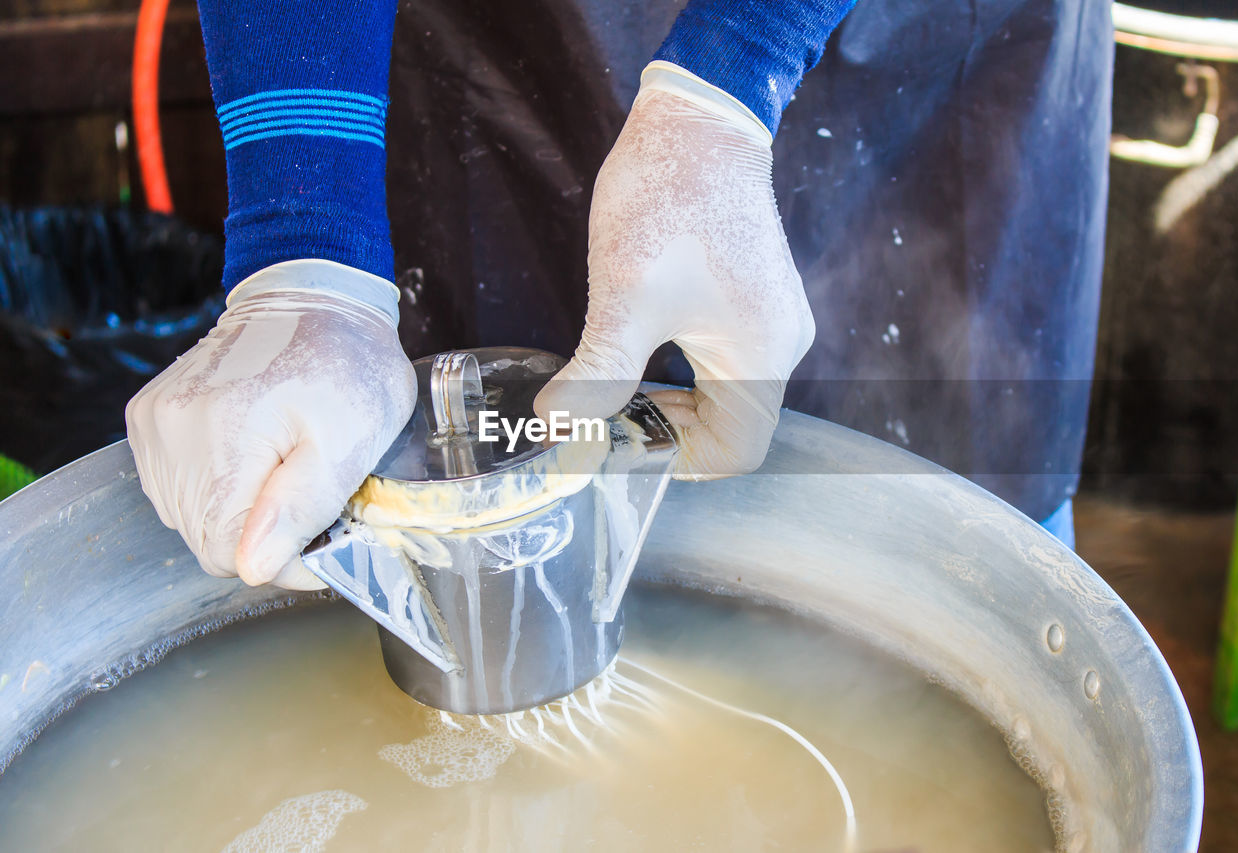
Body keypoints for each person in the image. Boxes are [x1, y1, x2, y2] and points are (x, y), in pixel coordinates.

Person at [126, 0, 1112, 590]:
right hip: (492, 61)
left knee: (963, 594)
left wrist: (732, 69)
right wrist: (307, 252)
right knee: (474, 512)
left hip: (899, 69)